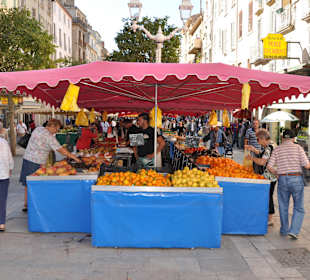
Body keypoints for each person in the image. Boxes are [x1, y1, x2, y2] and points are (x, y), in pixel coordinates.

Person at [19, 119, 81, 212]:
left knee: (28, 183)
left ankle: (27, 204)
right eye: (57, 129)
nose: (57, 131)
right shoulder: (48, 136)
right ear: (52, 126)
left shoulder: (38, 129)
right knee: (35, 183)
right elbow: (60, 149)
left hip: (27, 158)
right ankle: (32, 205)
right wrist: (74, 157)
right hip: (36, 162)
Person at [267, 129, 310, 240]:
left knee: (283, 205)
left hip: (282, 179)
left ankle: (284, 229)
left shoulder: (277, 149)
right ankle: (294, 231)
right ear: (293, 138)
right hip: (296, 178)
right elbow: (307, 165)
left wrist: (277, 172)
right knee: (299, 207)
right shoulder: (298, 148)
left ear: (283, 138)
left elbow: (269, 166)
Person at [245, 129, 277, 226]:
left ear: (263, 139)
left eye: (258, 140)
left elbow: (262, 161)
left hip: (270, 176)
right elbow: (262, 154)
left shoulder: (269, 148)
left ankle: (270, 218)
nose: (258, 142)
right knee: (268, 195)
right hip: (270, 176)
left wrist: (252, 158)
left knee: (268, 196)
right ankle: (268, 216)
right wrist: (254, 149)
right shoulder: (270, 145)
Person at [0, 138, 14, 232]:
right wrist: (10, 168)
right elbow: (9, 158)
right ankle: (1, 223)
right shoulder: (4, 142)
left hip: (4, 173)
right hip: (4, 174)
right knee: (2, 200)